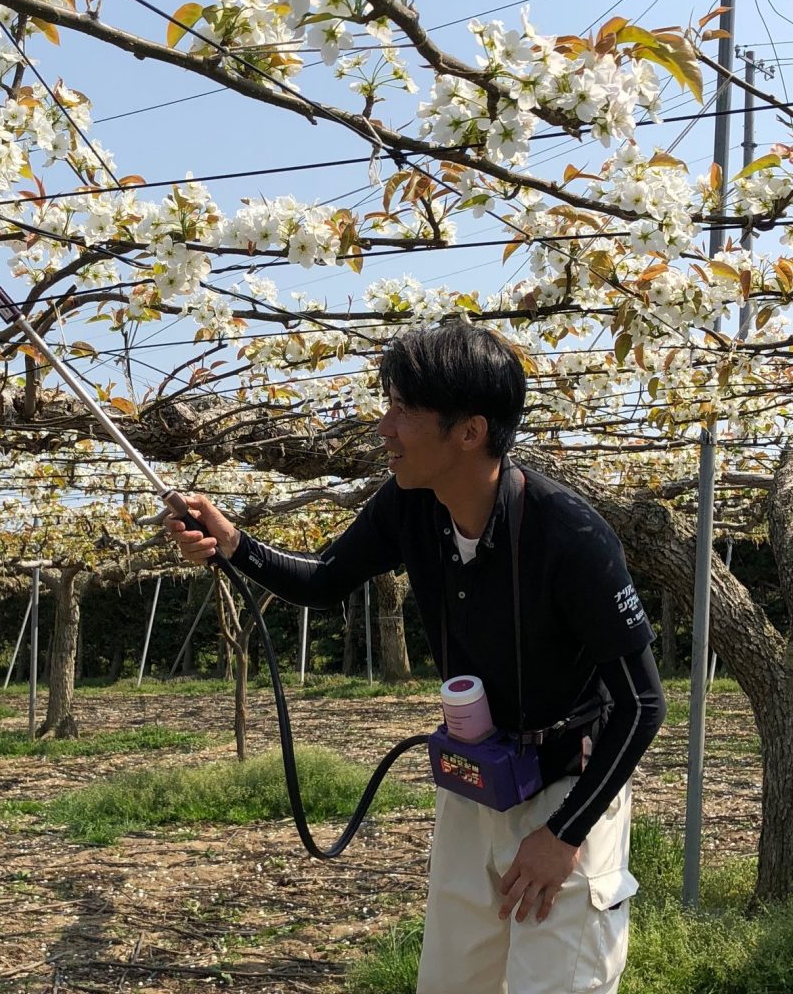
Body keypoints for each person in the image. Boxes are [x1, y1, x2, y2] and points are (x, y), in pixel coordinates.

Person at [167, 321, 666, 994]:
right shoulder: (408, 507)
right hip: (480, 778)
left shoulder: (570, 536)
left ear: (470, 431)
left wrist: (564, 835)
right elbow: (323, 581)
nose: (384, 426)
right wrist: (235, 546)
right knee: (453, 980)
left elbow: (641, 703)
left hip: (568, 786)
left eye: (403, 408)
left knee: (559, 983)